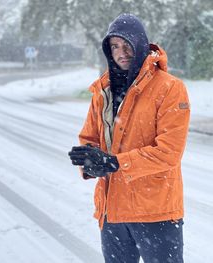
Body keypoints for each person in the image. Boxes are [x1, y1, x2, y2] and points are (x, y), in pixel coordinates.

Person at [68, 13, 190, 263]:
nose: (121, 52)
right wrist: (90, 161)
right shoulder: (102, 92)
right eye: (114, 46)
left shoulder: (169, 88)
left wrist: (115, 162)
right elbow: (89, 138)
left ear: (140, 45)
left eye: (127, 45)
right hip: (112, 214)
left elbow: (169, 152)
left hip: (156, 213)